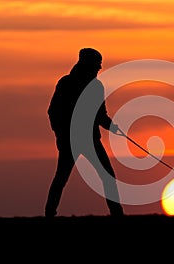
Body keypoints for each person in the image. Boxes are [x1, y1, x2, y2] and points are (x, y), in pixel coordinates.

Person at [45, 48, 124, 218]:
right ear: (87, 65)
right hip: (70, 140)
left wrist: (111, 126)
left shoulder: (96, 86)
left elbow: (100, 114)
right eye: (96, 66)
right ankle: (49, 213)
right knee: (62, 177)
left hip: (91, 139)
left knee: (107, 176)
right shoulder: (66, 83)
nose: (98, 69)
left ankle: (117, 215)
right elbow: (53, 111)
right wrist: (61, 135)